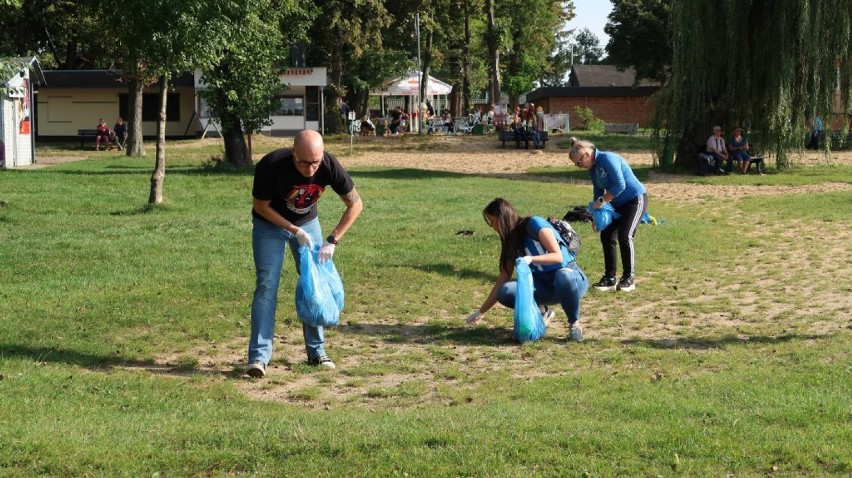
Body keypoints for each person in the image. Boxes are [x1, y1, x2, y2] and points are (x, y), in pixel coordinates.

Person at [246, 130, 364, 378]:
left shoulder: (329, 164)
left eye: (315, 163)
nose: (310, 170)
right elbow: (260, 206)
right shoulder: (271, 165)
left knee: (314, 283)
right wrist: (292, 229)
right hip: (270, 225)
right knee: (267, 283)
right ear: (293, 153)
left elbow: (355, 204)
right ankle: (259, 356)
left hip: (308, 223)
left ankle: (317, 351)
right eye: (303, 162)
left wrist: (332, 240)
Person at [466, 198, 589, 342]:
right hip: (543, 286)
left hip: (570, 280)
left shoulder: (534, 224)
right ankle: (542, 312)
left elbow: (557, 257)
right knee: (505, 291)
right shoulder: (510, 242)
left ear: (503, 218)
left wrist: (531, 259)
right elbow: (503, 278)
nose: (493, 227)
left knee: (563, 276)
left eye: (493, 222)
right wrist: (481, 312)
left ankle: (574, 324)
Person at [568, 137, 647, 293]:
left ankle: (629, 278)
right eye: (577, 165)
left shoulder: (607, 158)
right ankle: (610, 278)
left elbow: (620, 185)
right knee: (607, 235)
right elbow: (597, 191)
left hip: (635, 200)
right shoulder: (593, 168)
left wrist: (602, 200)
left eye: (579, 162)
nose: (580, 166)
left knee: (625, 235)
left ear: (586, 155)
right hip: (617, 204)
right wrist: (596, 217)